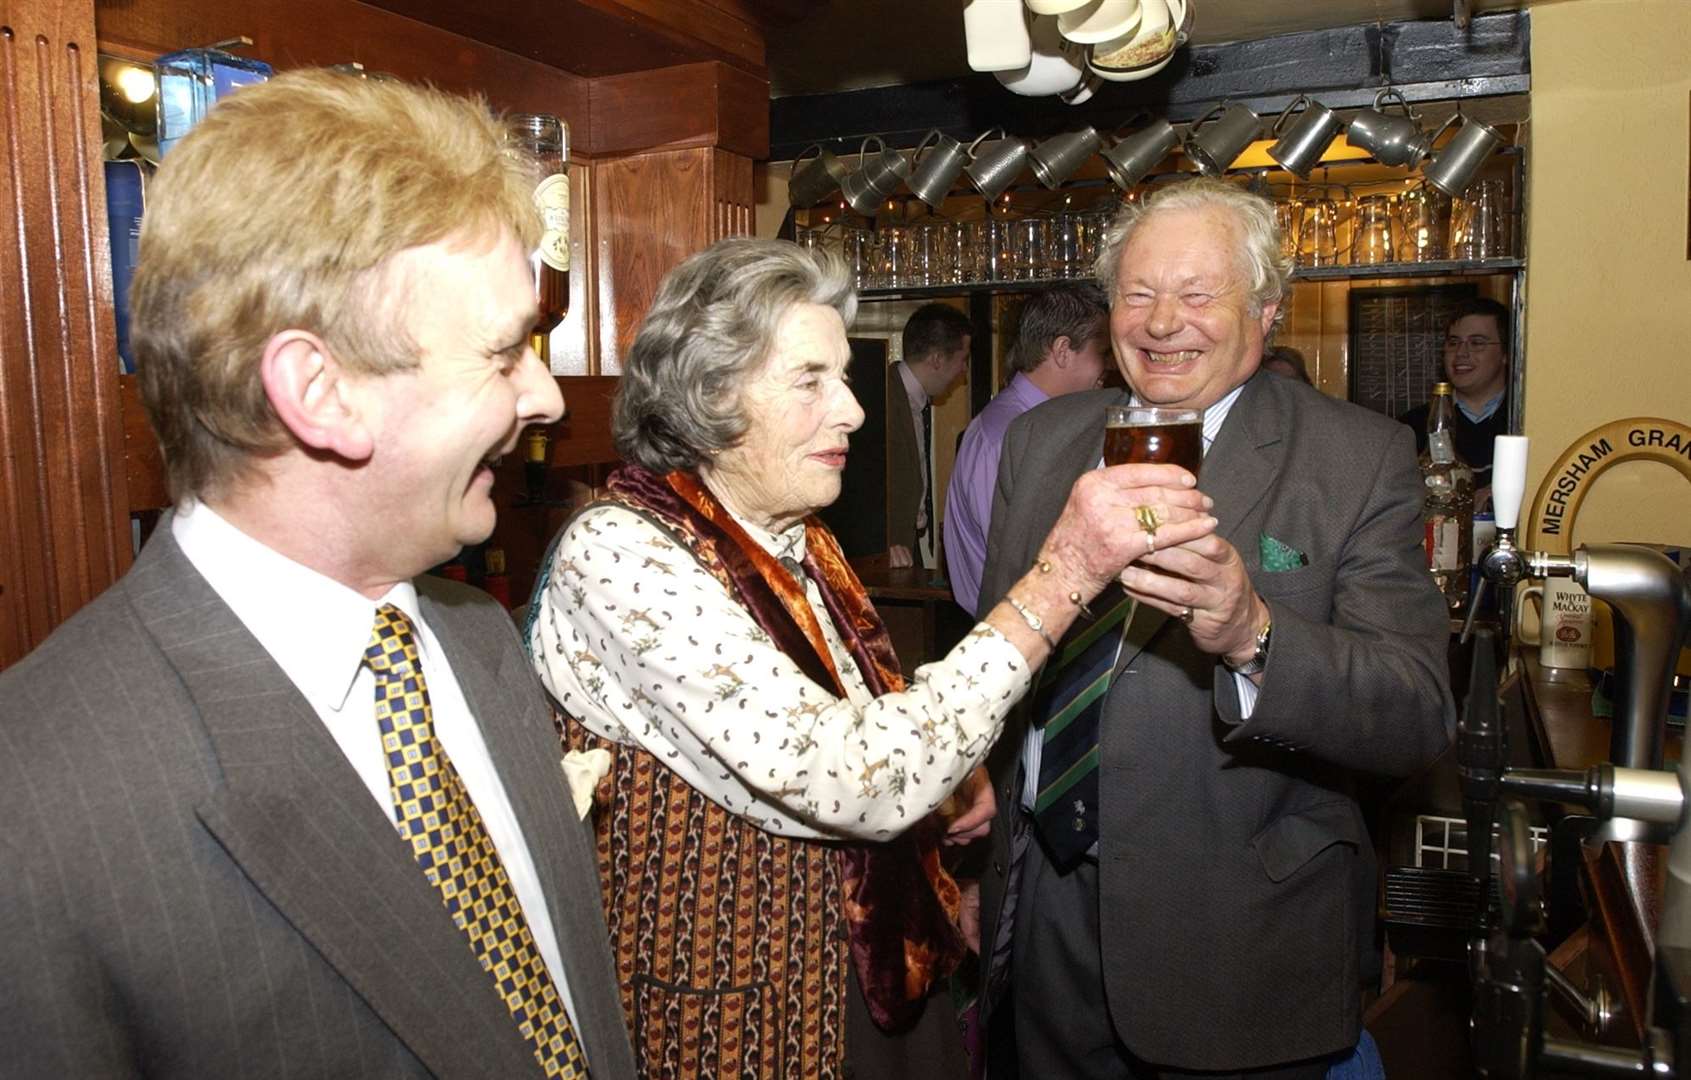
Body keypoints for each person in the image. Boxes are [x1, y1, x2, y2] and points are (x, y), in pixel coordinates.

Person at [0, 70, 636, 1079]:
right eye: (505, 350)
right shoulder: (36, 800)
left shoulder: (478, 645)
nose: (548, 397)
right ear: (319, 392)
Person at [526, 237, 1216, 1077]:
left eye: (842, 378)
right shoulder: (619, 551)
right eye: (810, 380)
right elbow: (854, 775)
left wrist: (940, 821)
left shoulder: (793, 536)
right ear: (707, 395)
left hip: (859, 981)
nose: (851, 411)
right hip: (736, 1013)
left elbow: (867, 732)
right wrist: (1060, 576)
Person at [976, 178, 1454, 1079]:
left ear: (1267, 308)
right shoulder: (1038, 443)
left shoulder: (1356, 457)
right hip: (1043, 921)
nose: (1162, 324)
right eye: (1137, 293)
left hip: (1235, 943)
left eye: (1197, 295)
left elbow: (1414, 713)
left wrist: (1253, 633)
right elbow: (1002, 659)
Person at [945, 284, 1111, 615]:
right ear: (1063, 350)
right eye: (1101, 353)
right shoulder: (1007, 431)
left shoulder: (1031, 424)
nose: (1108, 368)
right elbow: (1015, 559)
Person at [1398, 297, 1511, 499]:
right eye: (1453, 342)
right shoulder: (1412, 427)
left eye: (1477, 343)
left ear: (1506, 353)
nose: (1461, 353)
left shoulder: (1525, 420)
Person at [887, 302, 973, 569]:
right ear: (937, 359)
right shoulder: (880, 395)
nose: (964, 371)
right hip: (883, 558)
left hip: (907, 548)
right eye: (963, 359)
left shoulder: (912, 399)